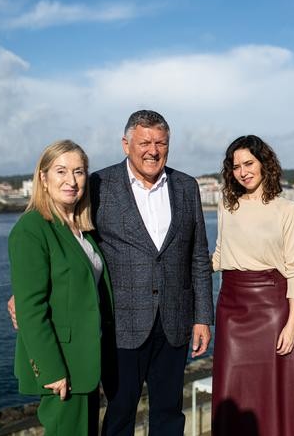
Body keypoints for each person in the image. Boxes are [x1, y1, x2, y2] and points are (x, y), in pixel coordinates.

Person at [91, 110, 214, 435]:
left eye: (161, 142)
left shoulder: (186, 186)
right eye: (145, 142)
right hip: (121, 323)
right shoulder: (99, 185)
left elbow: (198, 256)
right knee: (119, 413)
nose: (153, 150)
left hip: (174, 321)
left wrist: (203, 316)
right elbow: (71, 241)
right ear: (125, 144)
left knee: (169, 414)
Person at [8, 140, 113, 436]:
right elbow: (31, 310)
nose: (72, 180)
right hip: (63, 365)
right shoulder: (31, 229)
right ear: (43, 177)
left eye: (79, 172)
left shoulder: (81, 229)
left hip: (86, 360)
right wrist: (52, 371)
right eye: (61, 171)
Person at [211, 135, 294, 436]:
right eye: (236, 166)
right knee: (232, 390)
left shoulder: (286, 209)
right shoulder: (226, 206)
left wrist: (292, 323)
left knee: (275, 393)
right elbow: (219, 255)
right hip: (230, 308)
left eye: (249, 163)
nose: (243, 171)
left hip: (272, 310)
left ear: (264, 163)